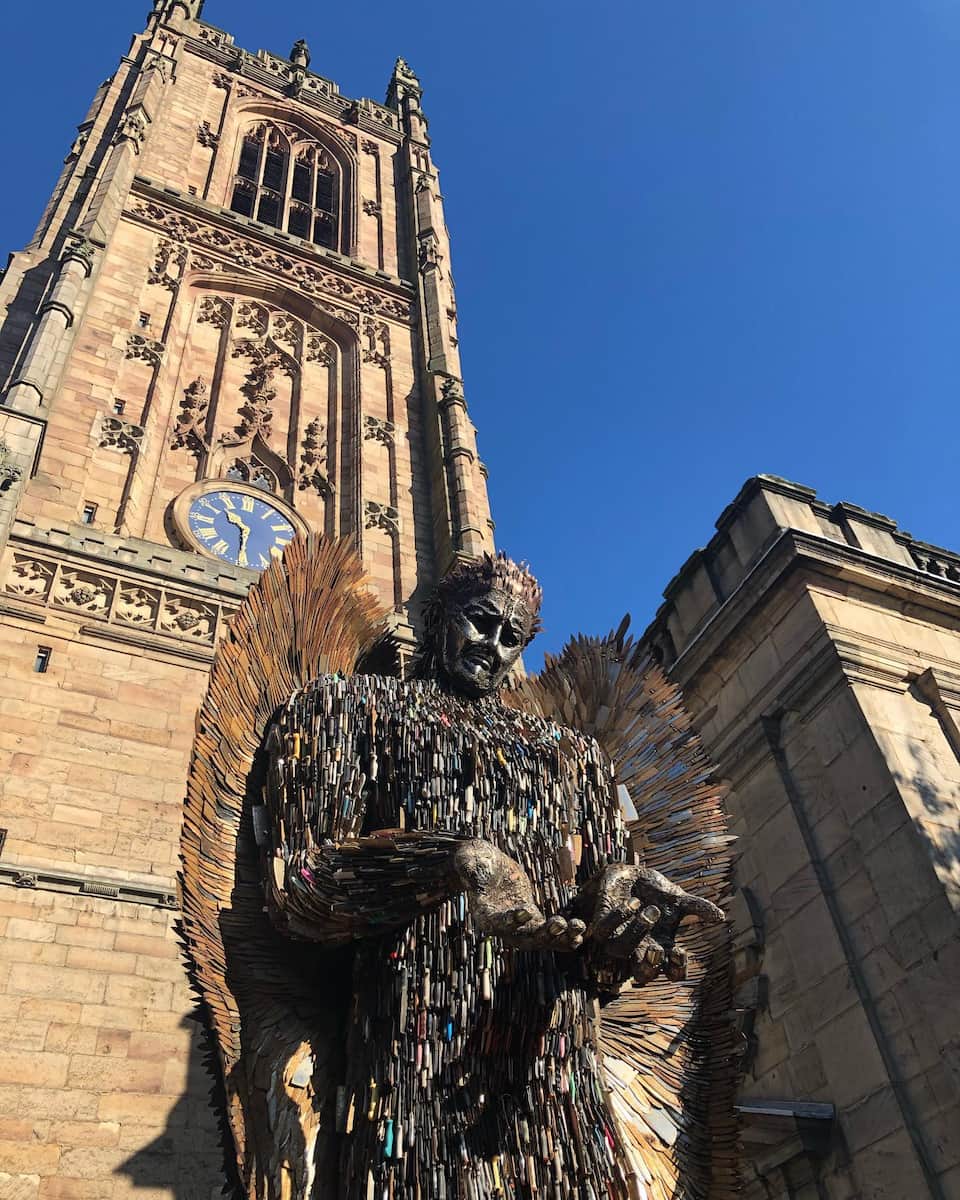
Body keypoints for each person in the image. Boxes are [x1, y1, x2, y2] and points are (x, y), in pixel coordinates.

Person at [258, 552, 724, 1200]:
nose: (492, 646)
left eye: (511, 637)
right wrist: (455, 861)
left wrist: (621, 915)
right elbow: (300, 886)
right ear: (439, 616)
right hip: (409, 1066)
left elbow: (598, 949)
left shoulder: (574, 757)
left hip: (553, 1078)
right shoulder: (348, 707)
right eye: (480, 622)